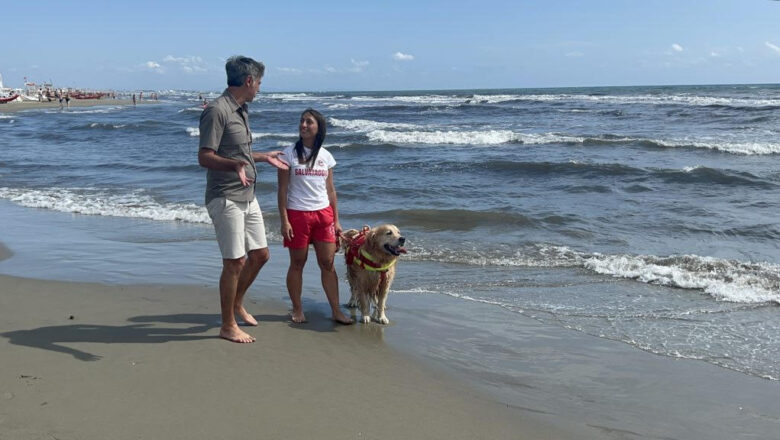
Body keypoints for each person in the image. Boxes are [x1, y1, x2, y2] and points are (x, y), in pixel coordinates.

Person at [198, 55, 288, 343]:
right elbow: (205, 156)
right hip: (225, 197)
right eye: (259, 82)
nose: (260, 88)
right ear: (249, 81)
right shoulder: (217, 110)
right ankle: (227, 325)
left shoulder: (241, 110)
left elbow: (237, 151)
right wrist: (234, 166)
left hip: (247, 195)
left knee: (260, 255)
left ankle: (237, 304)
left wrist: (262, 157)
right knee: (235, 261)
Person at [277, 108, 353, 325]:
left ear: (318, 127)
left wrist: (336, 220)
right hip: (297, 214)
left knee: (328, 263)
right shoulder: (288, 153)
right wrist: (284, 219)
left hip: (324, 215)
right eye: (301, 121)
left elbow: (331, 191)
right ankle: (298, 309)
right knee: (297, 263)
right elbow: (282, 190)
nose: (303, 125)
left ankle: (336, 311)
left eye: (309, 122)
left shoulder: (326, 156)